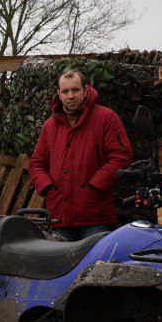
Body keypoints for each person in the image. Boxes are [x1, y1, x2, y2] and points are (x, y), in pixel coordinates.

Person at [27, 69, 133, 241]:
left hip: (95, 217)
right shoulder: (49, 126)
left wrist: (94, 186)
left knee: (95, 259)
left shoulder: (106, 118)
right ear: (59, 94)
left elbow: (121, 157)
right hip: (59, 217)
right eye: (65, 91)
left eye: (75, 90)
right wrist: (48, 188)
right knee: (61, 259)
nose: (71, 96)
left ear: (85, 90)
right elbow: (37, 163)